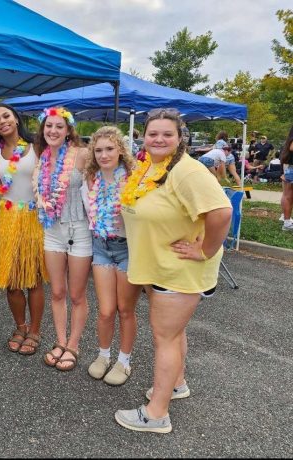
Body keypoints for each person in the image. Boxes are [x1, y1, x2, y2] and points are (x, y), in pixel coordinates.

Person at [114, 108, 232, 433]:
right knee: (174, 333)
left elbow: (222, 212)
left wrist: (205, 250)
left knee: (164, 337)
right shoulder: (150, 167)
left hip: (177, 270)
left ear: (180, 137)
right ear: (143, 136)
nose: (159, 139)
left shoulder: (187, 171)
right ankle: (176, 384)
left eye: (168, 133)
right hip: (158, 266)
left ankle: (156, 414)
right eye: (153, 133)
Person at [82, 126, 141, 385]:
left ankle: (124, 361)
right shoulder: (89, 180)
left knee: (125, 309)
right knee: (106, 310)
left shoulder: (133, 178)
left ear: (120, 150)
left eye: (109, 148)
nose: (104, 154)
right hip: (101, 246)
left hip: (128, 248)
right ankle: (103, 355)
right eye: (98, 150)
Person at [33, 107, 91, 371]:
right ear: (42, 130)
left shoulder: (81, 155)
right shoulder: (41, 159)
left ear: (68, 130)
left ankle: (74, 345)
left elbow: (102, 184)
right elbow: (38, 196)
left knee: (77, 294)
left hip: (79, 229)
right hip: (52, 230)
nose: (53, 131)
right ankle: (59, 340)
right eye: (48, 126)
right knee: (57, 291)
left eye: (59, 126)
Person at [0, 103, 48, 356]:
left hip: (33, 218)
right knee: (11, 281)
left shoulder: (37, 146)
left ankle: (35, 330)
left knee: (33, 279)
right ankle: (20, 326)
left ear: (15, 118)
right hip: (7, 217)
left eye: (6, 116)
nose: (2, 121)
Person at [280, 125, 293, 231]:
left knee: (287, 194)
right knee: (288, 195)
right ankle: (287, 223)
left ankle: (285, 218)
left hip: (289, 165)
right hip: (291, 166)